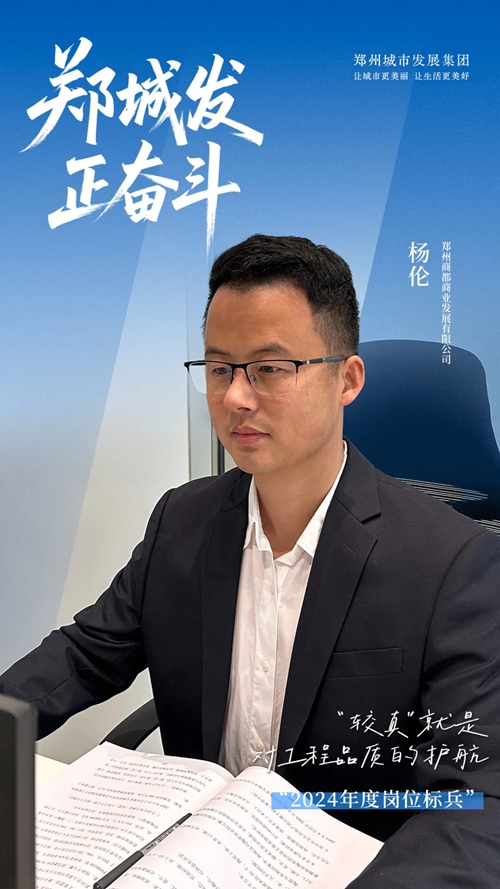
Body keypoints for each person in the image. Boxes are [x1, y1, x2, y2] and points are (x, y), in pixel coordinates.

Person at [2, 234, 500, 887]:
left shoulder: (457, 563)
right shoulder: (182, 521)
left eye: (269, 368)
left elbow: (474, 805)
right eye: (219, 369)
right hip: (193, 860)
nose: (236, 397)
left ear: (347, 379)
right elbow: (83, 655)